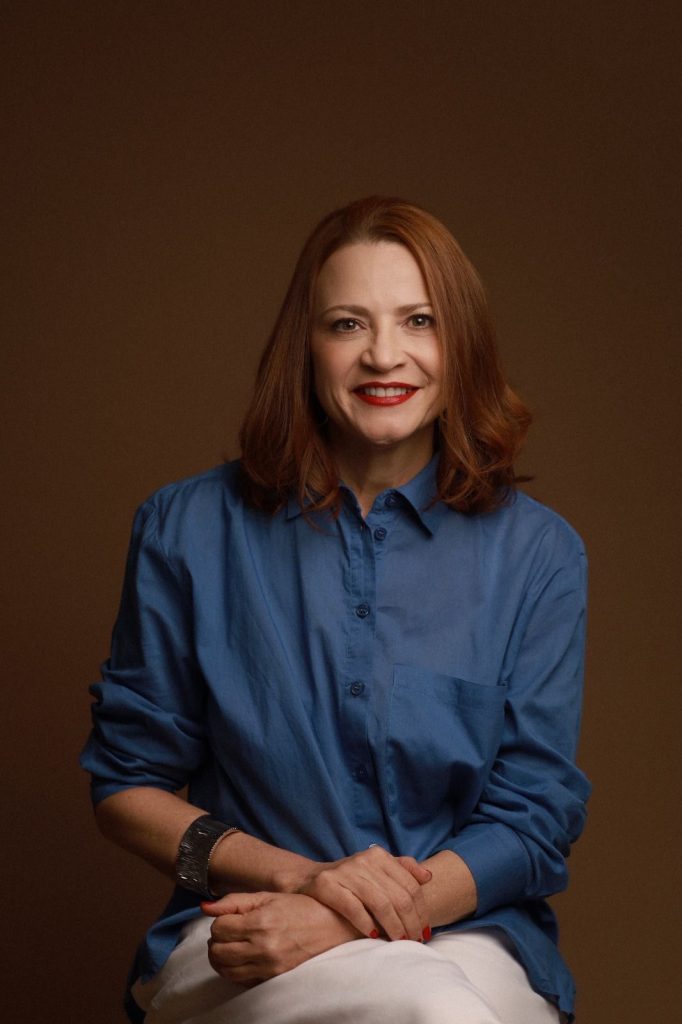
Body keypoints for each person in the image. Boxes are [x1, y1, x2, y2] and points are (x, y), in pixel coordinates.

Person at [80, 196, 590, 1024]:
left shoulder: (539, 555)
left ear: (461, 343)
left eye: (419, 321)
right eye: (348, 324)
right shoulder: (187, 529)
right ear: (306, 347)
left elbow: (534, 819)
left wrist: (343, 917)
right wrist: (299, 878)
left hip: (467, 934)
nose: (385, 355)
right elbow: (125, 789)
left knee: (440, 1005)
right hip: (246, 920)